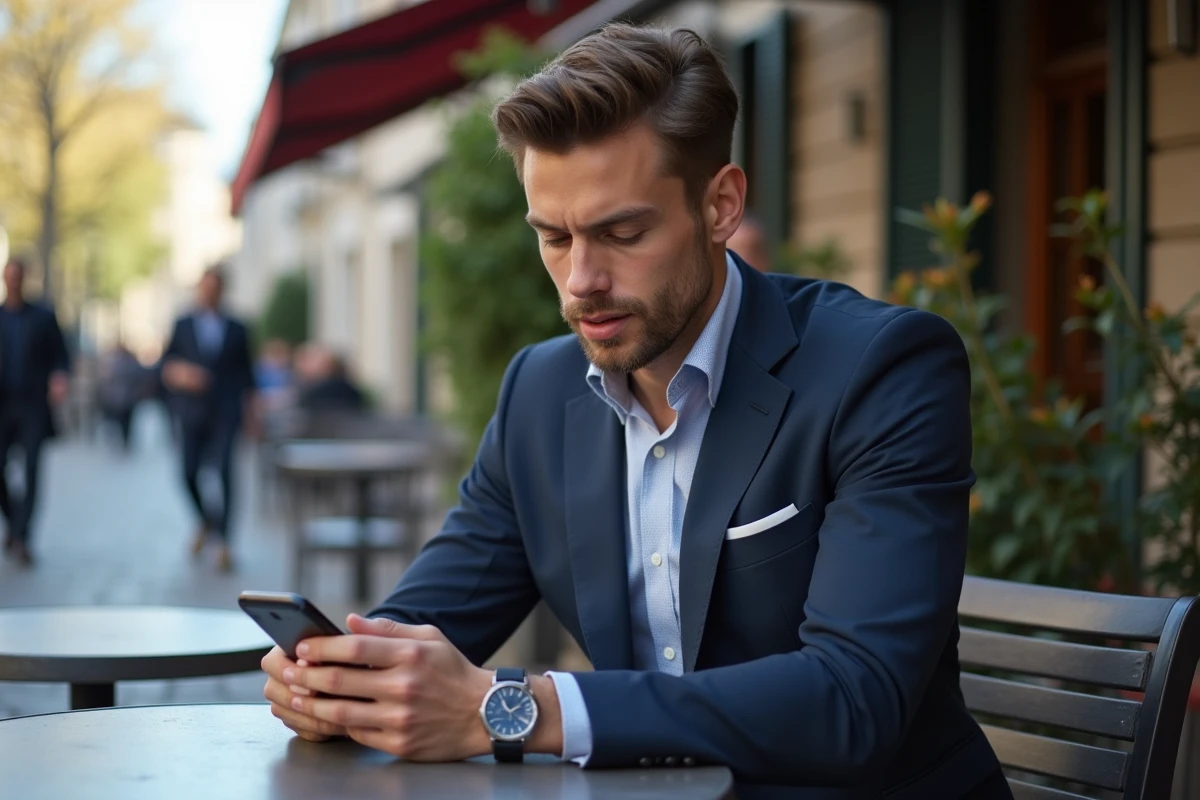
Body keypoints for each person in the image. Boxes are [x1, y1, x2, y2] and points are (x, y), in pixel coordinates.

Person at [259, 24, 1009, 800]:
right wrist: (343, 680)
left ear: (720, 205)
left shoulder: (879, 369)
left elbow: (854, 700)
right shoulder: (539, 395)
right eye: (553, 238)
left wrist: (513, 710)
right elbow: (428, 622)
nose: (581, 279)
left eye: (622, 233)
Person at [161, 265, 256, 572]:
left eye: (215, 287)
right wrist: (182, 374)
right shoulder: (183, 324)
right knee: (187, 473)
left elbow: (247, 375)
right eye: (205, 286)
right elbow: (166, 365)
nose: (209, 292)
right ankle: (207, 521)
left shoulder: (238, 328)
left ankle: (224, 542)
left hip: (226, 412)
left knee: (226, 474)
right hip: (192, 412)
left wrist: (254, 415)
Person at [0, 257, 70, 567]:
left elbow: (61, 356)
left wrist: (58, 377)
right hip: (3, 405)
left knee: (31, 470)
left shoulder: (43, 316)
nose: (13, 281)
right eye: (9, 276)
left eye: (18, 276)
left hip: (32, 406)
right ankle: (15, 523)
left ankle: (23, 536)